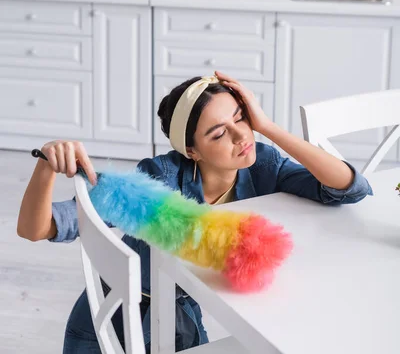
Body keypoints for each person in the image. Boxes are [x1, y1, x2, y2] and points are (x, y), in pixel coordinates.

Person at [17, 71, 372, 353]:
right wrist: (45, 166)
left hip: (181, 317)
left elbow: (348, 189)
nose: (240, 136)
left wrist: (268, 127)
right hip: (116, 319)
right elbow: (37, 228)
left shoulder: (263, 164)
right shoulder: (160, 177)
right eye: (218, 134)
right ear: (192, 151)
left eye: (240, 118)